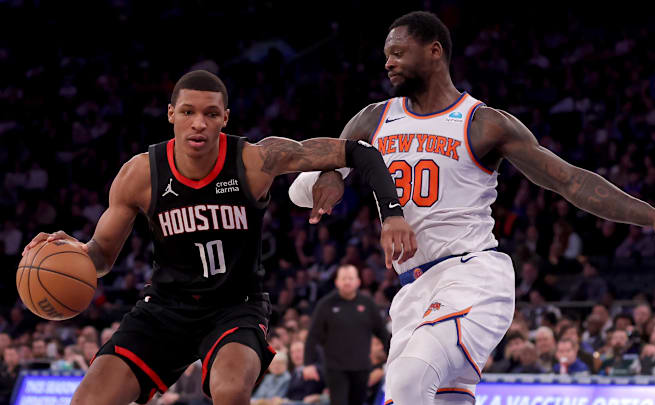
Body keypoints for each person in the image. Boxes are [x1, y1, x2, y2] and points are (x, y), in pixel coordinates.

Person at [289, 11, 655, 404]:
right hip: (413, 289)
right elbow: (329, 166)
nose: (388, 63)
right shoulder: (371, 119)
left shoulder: (483, 123)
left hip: (472, 276)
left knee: (409, 378)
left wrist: (651, 216)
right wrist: (328, 179)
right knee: (433, 397)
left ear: (434, 51)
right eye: (386, 56)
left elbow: (570, 180)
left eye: (398, 53)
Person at [21, 70, 416, 405]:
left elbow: (359, 151)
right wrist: (70, 251)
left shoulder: (256, 160)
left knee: (229, 393)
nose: (199, 123)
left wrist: (390, 212)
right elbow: (102, 257)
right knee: (87, 400)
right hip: (165, 307)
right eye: (189, 112)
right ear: (171, 114)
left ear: (224, 118)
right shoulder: (140, 174)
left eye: (210, 114)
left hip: (235, 306)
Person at [303, 264, 390, 405]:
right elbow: (313, 336)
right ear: (337, 282)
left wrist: (392, 356)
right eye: (344, 278)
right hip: (335, 368)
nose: (347, 282)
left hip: (362, 367)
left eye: (350, 278)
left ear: (358, 281)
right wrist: (308, 363)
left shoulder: (367, 304)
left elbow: (382, 333)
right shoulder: (326, 304)